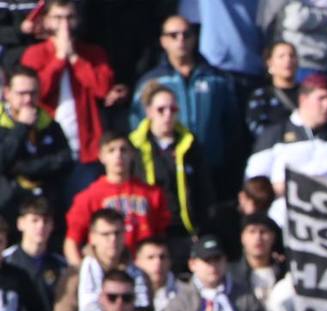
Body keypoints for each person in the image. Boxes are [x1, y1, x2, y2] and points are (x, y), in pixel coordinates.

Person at [128, 15, 240, 191]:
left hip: (213, 166)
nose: (181, 40)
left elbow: (232, 123)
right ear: (163, 41)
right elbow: (137, 126)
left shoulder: (216, 79)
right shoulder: (150, 80)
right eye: (173, 35)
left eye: (186, 34)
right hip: (167, 168)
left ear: (194, 38)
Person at [20, 0, 124, 179]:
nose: (64, 24)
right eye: (58, 18)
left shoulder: (93, 53)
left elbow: (103, 89)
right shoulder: (34, 54)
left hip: (87, 149)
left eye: (70, 17)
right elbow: (38, 92)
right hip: (48, 149)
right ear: (46, 20)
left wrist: (75, 59)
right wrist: (60, 58)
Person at [245, 73, 327, 229]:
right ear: (303, 99)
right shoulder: (275, 133)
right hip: (285, 221)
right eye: (322, 98)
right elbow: (254, 182)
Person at [128, 82, 213, 267]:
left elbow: (203, 190)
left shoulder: (189, 145)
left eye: (173, 109)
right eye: (161, 110)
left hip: (184, 230)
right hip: (150, 231)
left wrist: (201, 228)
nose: (167, 115)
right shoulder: (134, 146)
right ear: (149, 112)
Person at [63, 133, 170, 266]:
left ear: (131, 155)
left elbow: (162, 237)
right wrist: (80, 271)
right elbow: (72, 241)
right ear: (101, 156)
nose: (118, 155)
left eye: (123, 150)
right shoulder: (88, 197)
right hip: (105, 268)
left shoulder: (152, 194)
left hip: (143, 269)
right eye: (111, 150)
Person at [52, 207, 151, 311]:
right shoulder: (75, 274)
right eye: (106, 234)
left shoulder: (140, 275)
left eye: (117, 233)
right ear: (92, 237)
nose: (113, 240)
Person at [0, 65, 71, 221]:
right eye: (21, 94)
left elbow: (65, 160)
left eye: (32, 93)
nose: (28, 100)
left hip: (45, 205)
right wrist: (21, 128)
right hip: (8, 206)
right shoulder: (1, 123)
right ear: (7, 94)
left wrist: (25, 168)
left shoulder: (49, 124)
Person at [4, 196, 66, 311]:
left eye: (46, 221)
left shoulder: (62, 267)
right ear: (20, 223)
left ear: (52, 225)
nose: (41, 226)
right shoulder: (7, 260)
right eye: (35, 220)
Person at [227, 214, 286, 308]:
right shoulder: (230, 275)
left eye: (263, 232)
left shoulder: (285, 273)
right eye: (252, 232)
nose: (258, 237)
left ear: (273, 237)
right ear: (242, 237)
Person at [246, 41, 299, 141]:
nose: (288, 60)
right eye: (281, 56)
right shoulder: (261, 96)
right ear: (270, 62)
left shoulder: (307, 94)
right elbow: (257, 129)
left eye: (291, 55)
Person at [132, 235, 177, 311]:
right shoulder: (127, 292)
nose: (158, 263)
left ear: (170, 261)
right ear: (137, 262)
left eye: (162, 257)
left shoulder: (184, 293)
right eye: (150, 257)